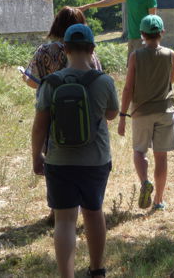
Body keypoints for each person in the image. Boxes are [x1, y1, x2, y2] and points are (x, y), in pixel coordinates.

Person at [32, 24, 119, 278]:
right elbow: (112, 114)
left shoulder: (51, 83)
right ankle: (97, 269)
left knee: (65, 220)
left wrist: (37, 156)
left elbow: (39, 126)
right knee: (94, 213)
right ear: (92, 49)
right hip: (95, 160)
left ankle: (66, 275)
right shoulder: (104, 81)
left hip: (59, 161)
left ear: (66, 48)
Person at [117, 15, 174, 210]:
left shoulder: (135, 56)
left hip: (141, 112)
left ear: (142, 34)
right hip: (165, 110)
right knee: (161, 157)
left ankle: (144, 182)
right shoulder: (170, 54)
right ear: (162, 33)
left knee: (139, 151)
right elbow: (172, 79)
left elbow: (128, 88)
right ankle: (159, 200)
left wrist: (123, 116)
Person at [77, 0, 157, 60]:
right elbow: (109, 2)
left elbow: (153, 20)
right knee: (131, 70)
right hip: (131, 38)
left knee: (142, 71)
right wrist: (88, 6)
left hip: (144, 40)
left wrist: (150, 42)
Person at [22, 6, 101, 90]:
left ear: (56, 24)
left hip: (52, 102)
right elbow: (98, 81)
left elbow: (35, 83)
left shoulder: (44, 51)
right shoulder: (88, 52)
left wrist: (25, 78)